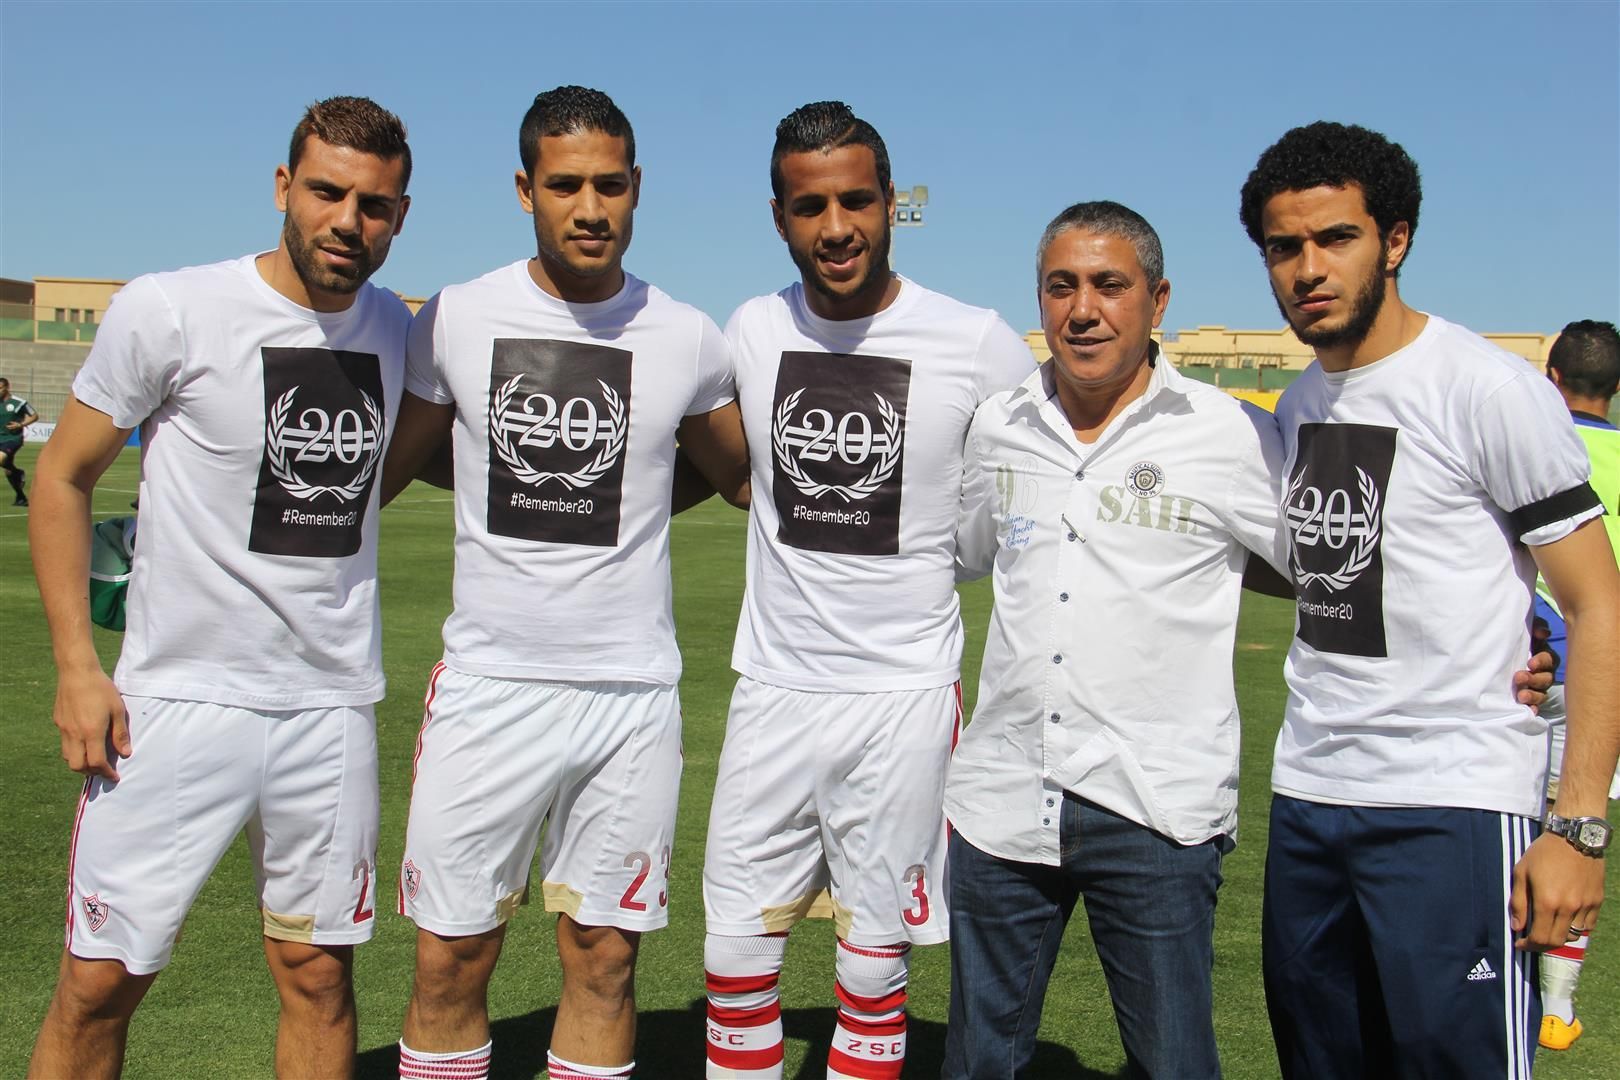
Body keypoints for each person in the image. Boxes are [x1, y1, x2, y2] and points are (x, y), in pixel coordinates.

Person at [27, 96, 414, 1079]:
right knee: (100, 982)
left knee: (319, 976)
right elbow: (64, 477)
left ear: (399, 217)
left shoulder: (399, 334)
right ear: (286, 189)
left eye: (373, 205)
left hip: (328, 713)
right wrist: (79, 666)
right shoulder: (170, 308)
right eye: (327, 193)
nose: (347, 221)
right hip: (175, 705)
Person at [382, 86, 748, 1080]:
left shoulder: (688, 335)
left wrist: (623, 502)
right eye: (565, 184)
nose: (590, 206)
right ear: (524, 189)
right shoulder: (457, 315)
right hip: (489, 690)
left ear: (638, 190)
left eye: (610, 184)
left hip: (629, 697)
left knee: (604, 962)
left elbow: (739, 475)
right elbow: (390, 464)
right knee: (451, 957)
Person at [1241, 121, 1620, 1078]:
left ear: (1395, 240)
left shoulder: (1485, 391)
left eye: (1337, 238)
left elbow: (1596, 605)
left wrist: (1575, 827)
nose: (1308, 269)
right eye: (1284, 248)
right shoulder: (1300, 408)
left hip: (1452, 803)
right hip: (1311, 795)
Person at [701, 101, 1035, 1080]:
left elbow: (1027, 502)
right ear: (780, 217)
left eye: (857, 201)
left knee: (874, 965)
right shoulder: (752, 330)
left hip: (904, 697)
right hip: (772, 689)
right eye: (811, 207)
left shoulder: (976, 342)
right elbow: (726, 466)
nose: (836, 227)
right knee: (732, 952)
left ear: (894, 204)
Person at [943, 201, 1287, 1079]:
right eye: (1062, 288)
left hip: (1156, 807)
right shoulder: (1000, 424)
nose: (1082, 310)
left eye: (1109, 286)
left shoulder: (1228, 434)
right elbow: (973, 553)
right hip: (1004, 800)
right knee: (982, 1059)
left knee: (1174, 1062)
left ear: (1157, 299)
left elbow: (1322, 569)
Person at [1531, 318, 1620, 1050]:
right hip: (1605, 679)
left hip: (1529, 660)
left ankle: (1493, 969)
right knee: (1577, 835)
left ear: (1551, 380)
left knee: (1509, 824)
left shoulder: (1537, 443)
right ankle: (1557, 1007)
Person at [1, 376, 39, 505]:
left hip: (13, 438)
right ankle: (21, 497)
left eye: (0, 388)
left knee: (0, 459)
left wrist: (20, 424)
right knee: (8, 470)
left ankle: (17, 472)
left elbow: (34, 415)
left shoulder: (19, 402)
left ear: (7, 387)